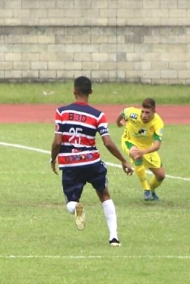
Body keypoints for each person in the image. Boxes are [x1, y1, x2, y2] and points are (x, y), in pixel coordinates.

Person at [50, 76, 133, 247]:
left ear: (74, 91)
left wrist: (53, 159)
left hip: (71, 164)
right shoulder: (98, 115)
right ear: (91, 92)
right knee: (104, 195)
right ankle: (114, 238)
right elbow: (108, 142)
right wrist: (124, 161)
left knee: (70, 202)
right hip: (92, 162)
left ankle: (76, 207)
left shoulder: (62, 112)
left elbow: (58, 142)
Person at [116, 98, 166, 201]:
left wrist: (143, 151)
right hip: (129, 140)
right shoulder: (133, 113)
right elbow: (123, 112)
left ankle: (151, 190)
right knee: (136, 154)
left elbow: (157, 145)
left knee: (161, 176)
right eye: (142, 111)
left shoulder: (158, 123)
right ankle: (146, 189)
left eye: (147, 112)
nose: (144, 115)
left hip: (147, 147)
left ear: (154, 112)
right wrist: (119, 123)